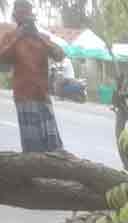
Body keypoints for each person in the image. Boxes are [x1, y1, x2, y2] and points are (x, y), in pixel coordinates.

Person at [0, 0, 66, 152]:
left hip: (42, 96)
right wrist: (18, 35)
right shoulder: (10, 37)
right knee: (32, 146)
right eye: (21, 16)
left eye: (28, 16)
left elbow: (60, 54)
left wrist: (38, 36)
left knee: (53, 146)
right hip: (24, 97)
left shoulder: (42, 37)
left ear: (33, 18)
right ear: (16, 18)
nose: (25, 20)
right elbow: (2, 58)